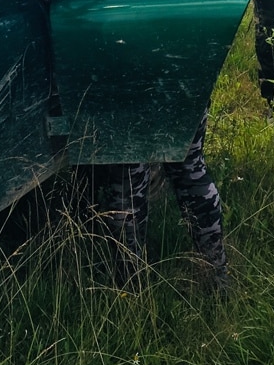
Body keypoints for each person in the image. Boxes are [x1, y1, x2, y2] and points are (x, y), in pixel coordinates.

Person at [95, 113, 228, 289]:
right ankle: (217, 274)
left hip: (124, 99)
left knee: (126, 182)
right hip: (184, 92)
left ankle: (129, 284)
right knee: (192, 171)